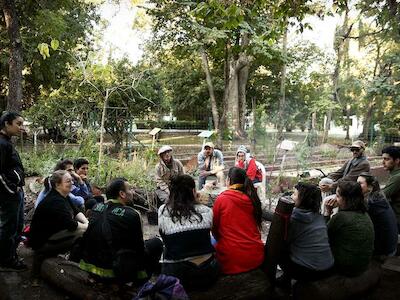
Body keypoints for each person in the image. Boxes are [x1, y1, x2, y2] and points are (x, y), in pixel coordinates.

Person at [79, 178, 163, 283]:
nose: (132, 192)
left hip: (90, 268)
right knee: (156, 243)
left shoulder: (96, 207)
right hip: (115, 273)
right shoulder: (132, 214)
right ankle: (139, 283)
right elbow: (139, 248)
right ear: (122, 194)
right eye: (130, 189)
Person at [158, 175, 218, 290]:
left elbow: (164, 235)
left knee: (166, 247)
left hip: (178, 276)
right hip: (208, 272)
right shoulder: (207, 211)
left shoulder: (163, 211)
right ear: (193, 191)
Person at [29, 170, 89, 279]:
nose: (72, 183)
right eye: (68, 181)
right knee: (82, 234)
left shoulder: (63, 196)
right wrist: (87, 227)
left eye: (72, 180)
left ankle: (72, 262)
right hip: (42, 243)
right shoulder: (55, 201)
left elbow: (76, 212)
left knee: (84, 230)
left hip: (52, 234)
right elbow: (71, 225)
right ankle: (71, 267)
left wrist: (86, 222)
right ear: (57, 184)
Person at [278, 183, 334, 285]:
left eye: (294, 195)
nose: (291, 197)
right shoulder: (319, 216)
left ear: (303, 199)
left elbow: (285, 241)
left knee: (279, 250)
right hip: (327, 268)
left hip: (308, 272)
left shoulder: (295, 219)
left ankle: (284, 281)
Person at [212, 167, 264, 274]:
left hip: (233, 260)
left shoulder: (222, 199)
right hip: (256, 255)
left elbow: (215, 230)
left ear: (229, 181)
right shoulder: (251, 198)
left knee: (211, 239)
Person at [324, 180, 374, 276]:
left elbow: (323, 235)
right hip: (363, 264)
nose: (335, 198)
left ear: (346, 199)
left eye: (338, 196)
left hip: (346, 267)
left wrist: (327, 212)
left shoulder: (341, 217)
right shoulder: (364, 213)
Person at [0, 111, 27, 270]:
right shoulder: (2, 144)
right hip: (9, 194)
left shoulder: (7, 142)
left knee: (17, 226)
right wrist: (11, 189)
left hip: (15, 192)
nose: (21, 127)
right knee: (10, 227)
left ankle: (10, 256)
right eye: (18, 123)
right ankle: (6, 260)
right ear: (6, 124)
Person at [357, 173, 398, 257]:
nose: (356, 186)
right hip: (391, 246)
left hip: (385, 251)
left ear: (370, 187)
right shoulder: (378, 197)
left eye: (360, 183)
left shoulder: (372, 203)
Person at [381, 146, 400, 231]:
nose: (383, 162)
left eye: (386, 159)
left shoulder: (397, 177)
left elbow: (380, 196)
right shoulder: (395, 174)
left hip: (396, 219)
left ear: (397, 161)